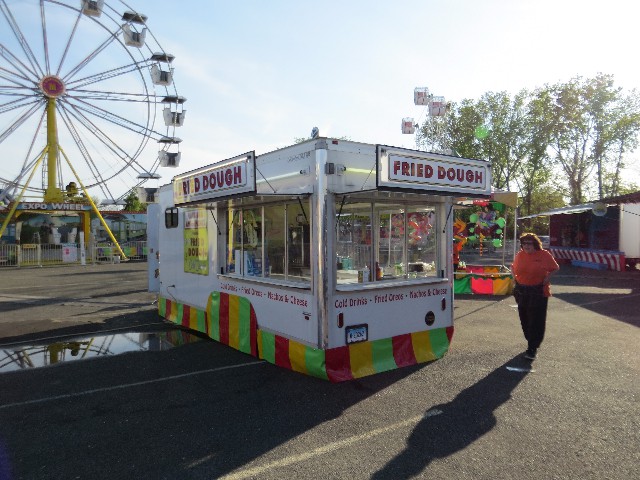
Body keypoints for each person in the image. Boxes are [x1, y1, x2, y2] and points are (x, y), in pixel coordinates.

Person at [511, 233, 559, 360]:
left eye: (529, 243)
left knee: (536, 319)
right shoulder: (520, 255)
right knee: (524, 317)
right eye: (524, 243)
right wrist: (514, 280)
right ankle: (530, 339)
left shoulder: (544, 255)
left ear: (535, 244)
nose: (526, 246)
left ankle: (532, 347)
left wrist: (547, 278)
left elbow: (555, 268)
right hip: (522, 290)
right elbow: (513, 268)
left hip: (538, 290)